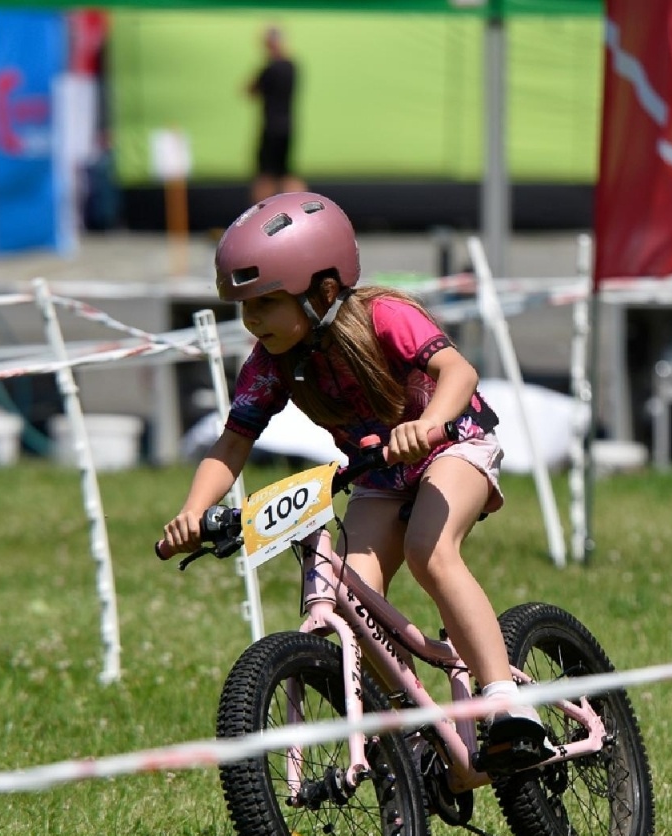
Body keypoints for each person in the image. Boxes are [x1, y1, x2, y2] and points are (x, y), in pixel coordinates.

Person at [161, 192, 552, 774]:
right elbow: (233, 442)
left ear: (322, 289)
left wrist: (429, 423)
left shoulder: (381, 314)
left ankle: (506, 703)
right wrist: (194, 510)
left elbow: (457, 370)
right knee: (351, 598)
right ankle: (415, 727)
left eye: (267, 302)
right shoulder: (271, 363)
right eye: (246, 307)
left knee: (430, 552)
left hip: (454, 444)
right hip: (379, 473)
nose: (254, 321)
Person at [247, 27, 304, 204]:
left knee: (265, 175)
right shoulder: (292, 66)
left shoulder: (270, 68)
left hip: (271, 126)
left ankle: (260, 216)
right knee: (286, 172)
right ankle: (304, 209)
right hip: (288, 125)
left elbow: (250, 90)